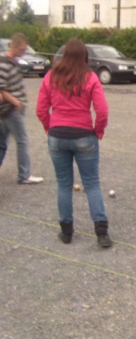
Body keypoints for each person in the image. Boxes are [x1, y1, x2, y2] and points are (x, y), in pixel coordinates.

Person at [36, 39, 112, 248]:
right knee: (92, 184)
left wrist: (49, 128)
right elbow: (102, 110)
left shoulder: (51, 77)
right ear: (85, 57)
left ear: (64, 55)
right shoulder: (90, 78)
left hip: (57, 135)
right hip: (84, 135)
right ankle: (101, 233)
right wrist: (99, 130)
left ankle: (67, 232)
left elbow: (41, 109)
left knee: (63, 184)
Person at [0, 33, 44, 184]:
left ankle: (23, 174)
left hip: (10, 108)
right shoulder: (4, 63)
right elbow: (2, 89)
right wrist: (16, 102)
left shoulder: (13, 61)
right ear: (15, 46)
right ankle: (24, 175)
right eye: (23, 49)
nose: (24, 52)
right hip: (10, 109)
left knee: (2, 142)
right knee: (22, 140)